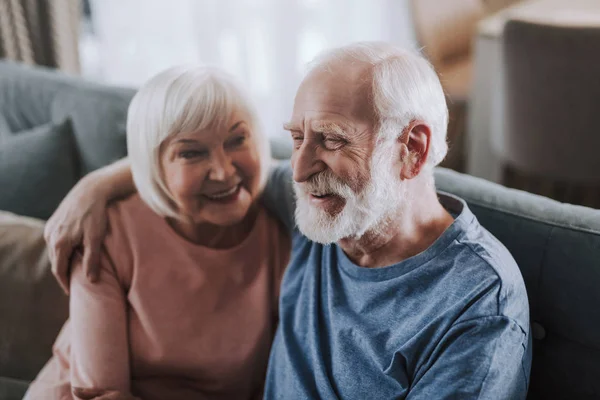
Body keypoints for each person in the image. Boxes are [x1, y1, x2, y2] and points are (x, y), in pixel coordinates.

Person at [45, 42, 531, 400]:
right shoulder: (319, 203)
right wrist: (95, 187)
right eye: (297, 138)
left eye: (333, 140)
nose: (300, 169)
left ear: (413, 148)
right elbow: (210, 171)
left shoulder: (478, 303)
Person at [25, 66, 290, 400]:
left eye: (237, 140)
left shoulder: (284, 226)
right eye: (191, 153)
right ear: (153, 164)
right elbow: (102, 394)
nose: (223, 171)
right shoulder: (104, 234)